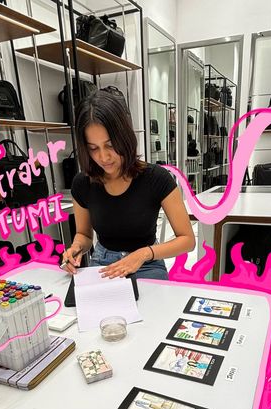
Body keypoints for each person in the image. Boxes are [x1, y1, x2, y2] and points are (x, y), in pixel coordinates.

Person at [61, 91, 195, 280]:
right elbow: (84, 235)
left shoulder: (156, 178)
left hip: (147, 263)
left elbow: (187, 240)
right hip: (103, 263)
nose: (103, 157)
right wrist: (76, 247)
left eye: (110, 145)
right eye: (93, 148)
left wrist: (144, 254)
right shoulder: (82, 183)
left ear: (124, 137)